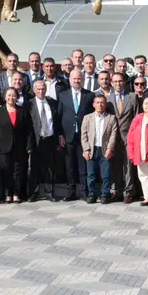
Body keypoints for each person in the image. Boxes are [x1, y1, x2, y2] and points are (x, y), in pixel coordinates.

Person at [0, 87, 32, 203]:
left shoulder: (22, 111)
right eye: (9, 95)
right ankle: (7, 193)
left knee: (17, 171)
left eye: (13, 95)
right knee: (6, 171)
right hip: (3, 147)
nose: (11, 98)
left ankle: (16, 193)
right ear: (5, 97)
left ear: (17, 97)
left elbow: (29, 131)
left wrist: (29, 146)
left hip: (19, 146)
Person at [58, 70, 93, 201]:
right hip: (68, 136)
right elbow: (59, 116)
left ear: (82, 80)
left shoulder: (89, 95)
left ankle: (84, 191)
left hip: (84, 137)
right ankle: (71, 191)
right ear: (70, 79)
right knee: (69, 166)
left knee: (83, 165)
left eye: (79, 78)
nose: (77, 80)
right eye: (74, 78)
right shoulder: (63, 95)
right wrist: (60, 135)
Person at [81, 91, 120, 204]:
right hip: (92, 149)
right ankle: (92, 194)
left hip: (105, 150)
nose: (100, 105)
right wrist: (86, 149)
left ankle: (105, 195)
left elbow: (114, 135)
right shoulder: (87, 118)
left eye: (102, 103)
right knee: (91, 175)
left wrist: (110, 149)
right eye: (97, 102)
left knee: (106, 175)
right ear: (93, 104)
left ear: (106, 104)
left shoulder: (111, 118)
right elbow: (84, 135)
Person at [108, 72, 139, 202]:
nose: (118, 84)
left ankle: (128, 192)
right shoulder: (108, 99)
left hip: (128, 137)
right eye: (115, 81)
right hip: (113, 137)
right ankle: (117, 190)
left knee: (128, 166)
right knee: (115, 165)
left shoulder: (132, 97)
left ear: (124, 82)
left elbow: (137, 117)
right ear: (111, 83)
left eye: (120, 81)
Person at [28, 79, 61, 201]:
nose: (41, 91)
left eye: (43, 89)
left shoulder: (52, 103)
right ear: (34, 90)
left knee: (50, 168)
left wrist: (59, 137)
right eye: (38, 89)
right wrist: (29, 145)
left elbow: (57, 121)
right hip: (37, 140)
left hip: (50, 139)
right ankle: (34, 193)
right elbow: (28, 126)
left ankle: (49, 193)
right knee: (35, 168)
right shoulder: (29, 104)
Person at [127, 96, 148, 206]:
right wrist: (131, 153)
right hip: (139, 152)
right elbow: (130, 137)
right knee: (143, 175)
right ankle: (147, 197)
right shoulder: (138, 118)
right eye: (146, 103)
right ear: (142, 106)